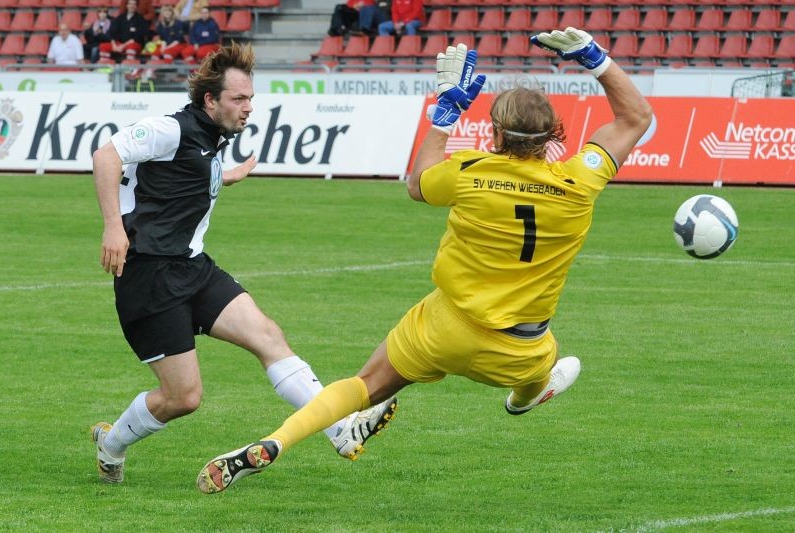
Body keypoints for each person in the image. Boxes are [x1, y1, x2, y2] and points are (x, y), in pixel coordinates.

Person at [196, 28, 653, 494]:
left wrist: (446, 115)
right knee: (544, 368)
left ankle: (277, 440)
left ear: (496, 133)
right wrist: (595, 58)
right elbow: (636, 117)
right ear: (554, 134)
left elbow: (417, 184)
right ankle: (524, 397)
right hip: (519, 346)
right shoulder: (580, 182)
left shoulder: (470, 172)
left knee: (364, 386)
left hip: (446, 326)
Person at [90, 42, 397, 485]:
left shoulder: (211, 139)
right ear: (210, 100)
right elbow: (106, 155)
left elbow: (183, 178)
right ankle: (112, 443)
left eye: (250, 98)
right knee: (183, 397)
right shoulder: (170, 129)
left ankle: (340, 428)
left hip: (193, 267)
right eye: (238, 98)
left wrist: (225, 175)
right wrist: (112, 227)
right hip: (149, 277)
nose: (248, 107)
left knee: (267, 335)